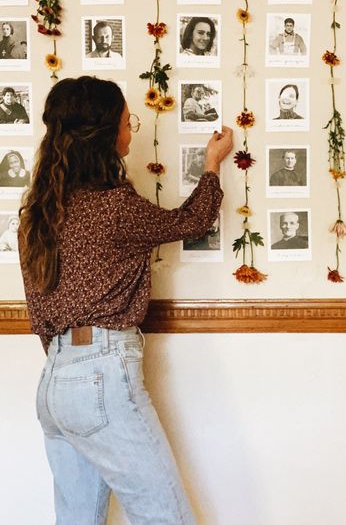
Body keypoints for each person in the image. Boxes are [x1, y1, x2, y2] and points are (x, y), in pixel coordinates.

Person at [18, 75, 233, 524]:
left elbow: (40, 314)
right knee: (165, 517)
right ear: (103, 134)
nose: (131, 132)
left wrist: (70, 360)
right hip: (99, 373)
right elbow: (190, 222)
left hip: (54, 382)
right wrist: (212, 165)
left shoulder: (39, 212)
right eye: (126, 122)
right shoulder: (114, 207)